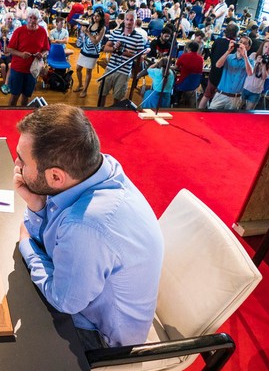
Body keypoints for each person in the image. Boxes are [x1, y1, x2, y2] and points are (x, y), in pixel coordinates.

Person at [13, 105, 163, 349]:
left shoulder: (85, 225)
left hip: (104, 336)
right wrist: (37, 205)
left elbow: (64, 301)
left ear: (55, 177)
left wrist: (27, 247)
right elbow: (52, 241)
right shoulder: (100, 170)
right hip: (98, 301)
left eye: (22, 159)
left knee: (10, 326)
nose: (17, 164)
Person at [6, 8, 50, 107]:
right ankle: (9, 115)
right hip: (18, 68)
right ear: (27, 18)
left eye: (35, 18)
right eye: (30, 17)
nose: (32, 20)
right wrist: (21, 54)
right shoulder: (19, 31)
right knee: (14, 96)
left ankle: (23, 116)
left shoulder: (42, 32)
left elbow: (46, 49)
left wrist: (41, 54)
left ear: (38, 20)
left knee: (26, 96)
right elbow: (9, 49)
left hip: (32, 70)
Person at [101, 11, 145, 106]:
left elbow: (141, 58)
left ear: (135, 21)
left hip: (124, 72)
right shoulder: (116, 32)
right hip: (110, 68)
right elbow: (105, 48)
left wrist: (127, 53)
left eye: (131, 20)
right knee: (102, 94)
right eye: (127, 19)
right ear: (124, 20)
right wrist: (114, 48)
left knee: (117, 98)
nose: (129, 22)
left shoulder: (139, 38)